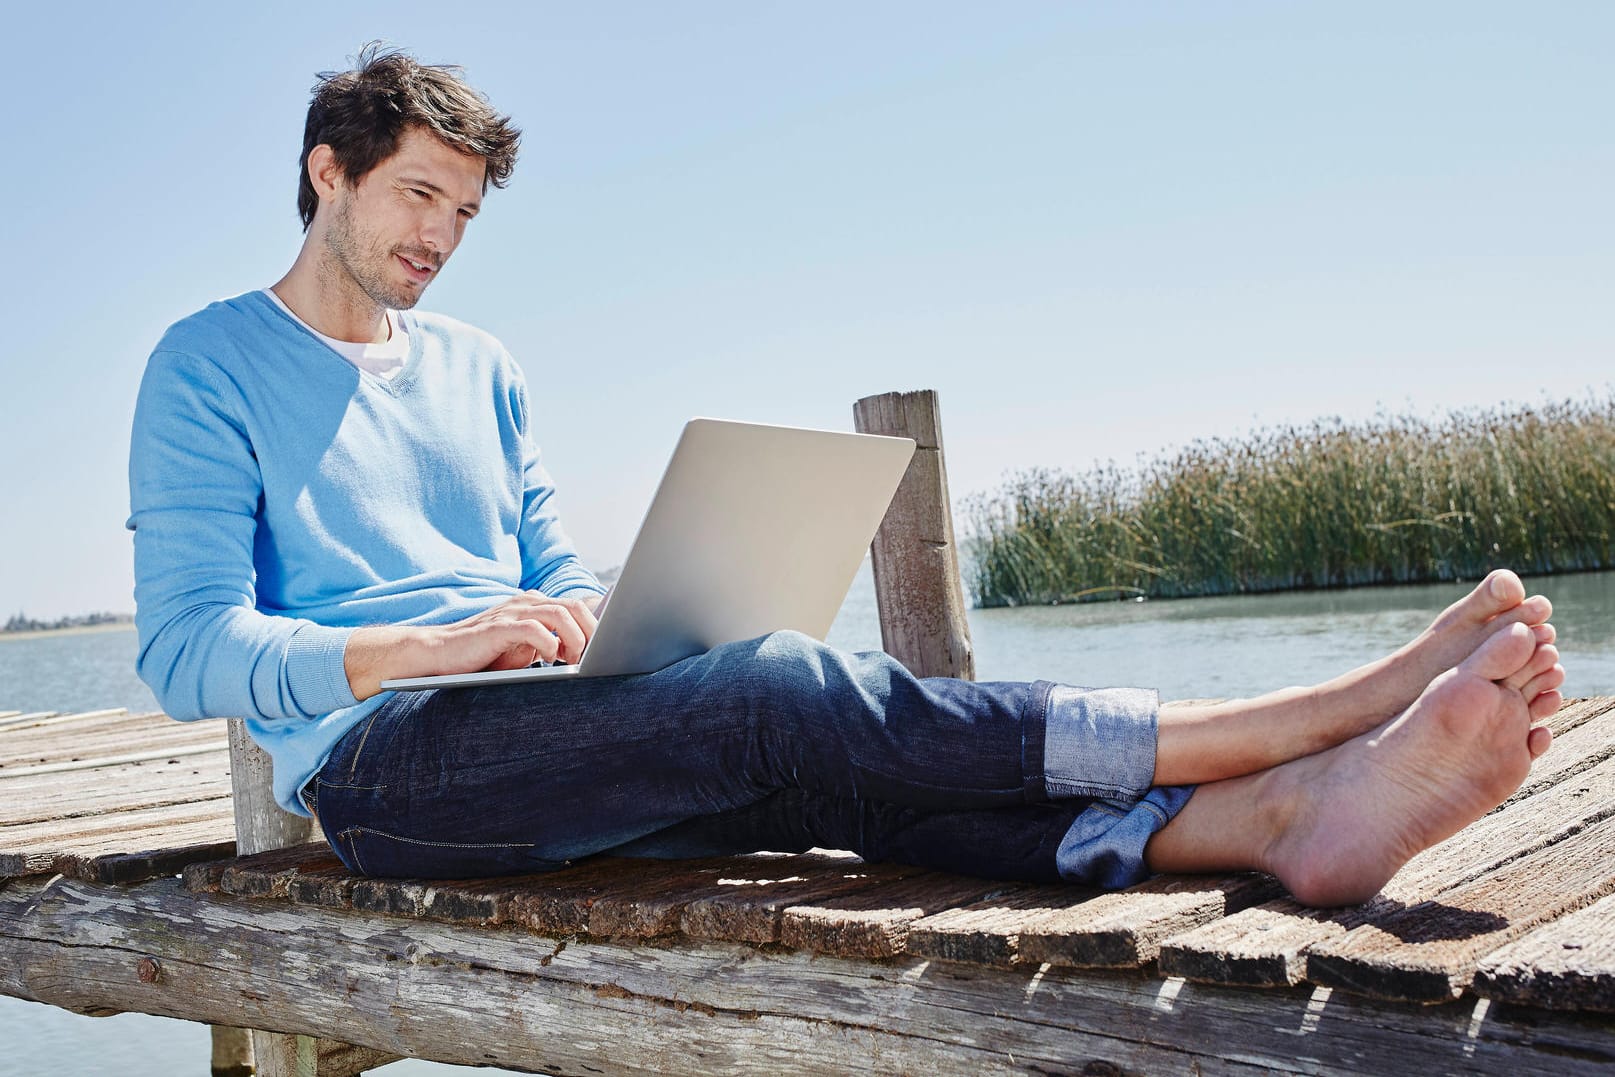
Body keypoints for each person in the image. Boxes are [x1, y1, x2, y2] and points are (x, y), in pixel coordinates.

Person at [128, 46, 1565, 909]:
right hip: (389, 774)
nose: (441, 236)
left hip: (533, 720)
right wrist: (418, 649)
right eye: (416, 197)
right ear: (329, 173)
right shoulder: (206, 366)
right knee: (783, 690)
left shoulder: (478, 364)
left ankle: (1280, 823)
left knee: (821, 761)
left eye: (465, 209)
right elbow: (188, 651)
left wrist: (582, 617)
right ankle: (1291, 726)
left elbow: (552, 559)